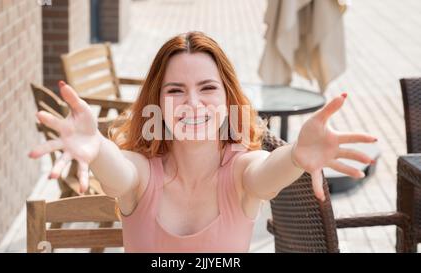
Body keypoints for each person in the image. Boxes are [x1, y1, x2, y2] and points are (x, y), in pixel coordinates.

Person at [28, 31, 376, 252]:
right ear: (157, 105)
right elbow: (118, 171)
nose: (193, 104)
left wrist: (296, 157)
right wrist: (98, 147)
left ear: (228, 99)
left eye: (208, 88)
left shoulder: (242, 170)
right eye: (176, 91)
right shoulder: (141, 173)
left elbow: (266, 173)